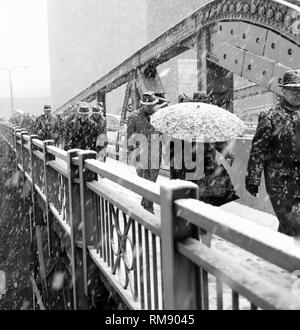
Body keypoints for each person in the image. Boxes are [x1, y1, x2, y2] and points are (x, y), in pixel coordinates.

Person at [245, 69, 300, 236]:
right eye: (294, 90)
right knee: (293, 223)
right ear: (283, 91)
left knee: (290, 225)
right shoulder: (271, 116)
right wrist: (253, 178)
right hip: (279, 180)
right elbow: (259, 149)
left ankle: (280, 254)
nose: (298, 94)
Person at [127, 91, 161, 213]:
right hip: (140, 154)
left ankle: (147, 203)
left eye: (152, 104)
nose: (150, 107)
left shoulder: (160, 116)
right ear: (142, 104)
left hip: (156, 153)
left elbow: (163, 133)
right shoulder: (134, 117)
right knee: (145, 180)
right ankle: (147, 203)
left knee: (152, 181)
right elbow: (130, 137)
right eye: (148, 105)